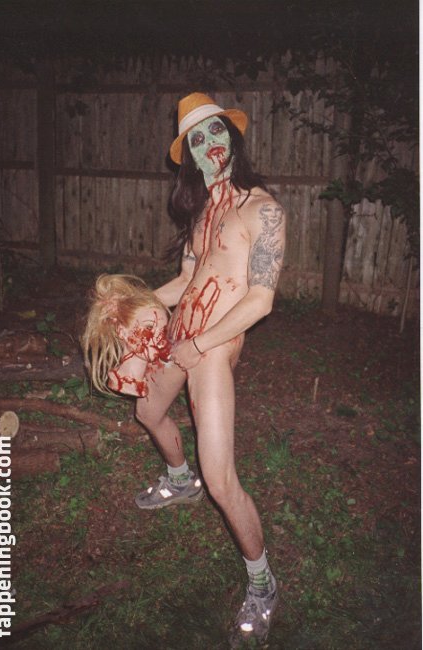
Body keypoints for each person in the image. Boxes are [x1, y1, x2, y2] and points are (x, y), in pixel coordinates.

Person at [135, 92, 286, 646]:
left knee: (221, 479)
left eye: (216, 131)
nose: (209, 144)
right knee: (148, 410)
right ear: (191, 156)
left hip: (214, 348)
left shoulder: (262, 211)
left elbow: (260, 300)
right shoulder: (203, 211)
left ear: (233, 137)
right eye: (196, 139)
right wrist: (133, 302)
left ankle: (263, 583)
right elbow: (187, 282)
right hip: (183, 336)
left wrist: (198, 345)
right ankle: (180, 481)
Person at [82, 273, 171, 399]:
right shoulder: (121, 381)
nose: (159, 337)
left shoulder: (156, 377)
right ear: (122, 331)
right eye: (149, 328)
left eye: (163, 330)